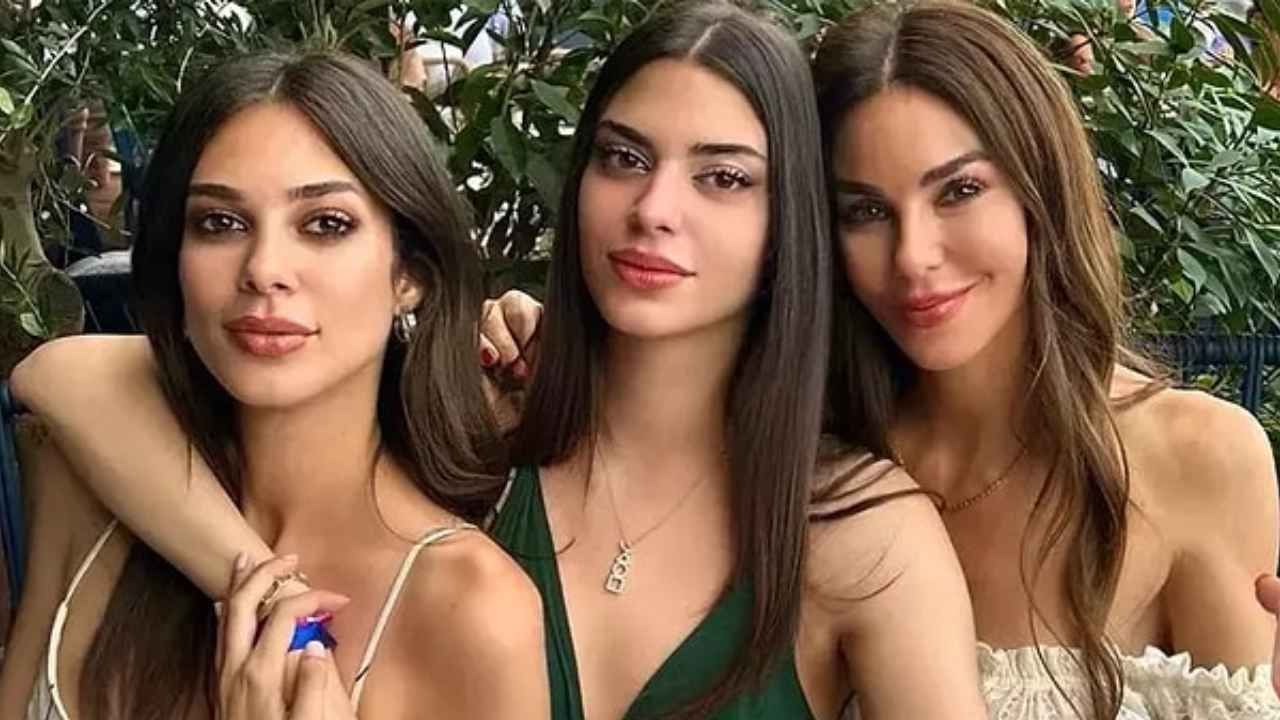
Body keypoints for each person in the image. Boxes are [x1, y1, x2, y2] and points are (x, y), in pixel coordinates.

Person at [9, 3, 988, 719]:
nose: (655, 208)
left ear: (790, 225)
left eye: (723, 177)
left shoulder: (863, 535)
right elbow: (71, 379)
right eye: (621, 157)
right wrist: (262, 590)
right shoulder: (479, 425)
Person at [482, 1, 1280, 716]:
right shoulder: (813, 447)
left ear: (1040, 188)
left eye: (958, 191)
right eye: (864, 210)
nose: (913, 256)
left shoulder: (1196, 458)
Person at [0, 50, 547, 719]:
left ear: (410, 274)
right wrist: (267, 596)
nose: (264, 268)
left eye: (326, 224)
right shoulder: (90, 481)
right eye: (220, 223)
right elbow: (58, 370)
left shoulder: (473, 609)